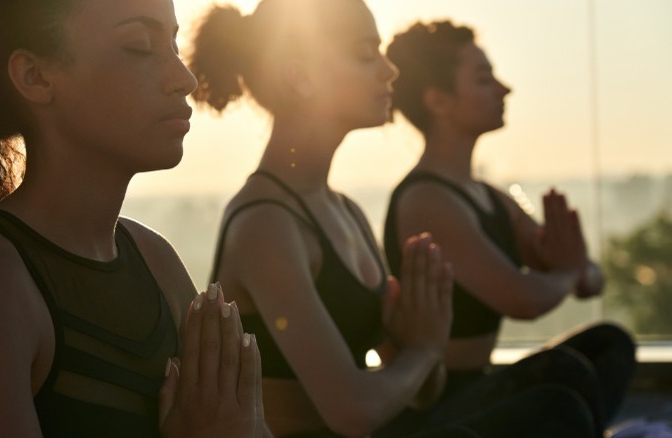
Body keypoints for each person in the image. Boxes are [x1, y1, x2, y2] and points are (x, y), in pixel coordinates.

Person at [190, 2, 597, 437]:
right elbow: (353, 412)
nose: (389, 72)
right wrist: (421, 351)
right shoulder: (266, 225)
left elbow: (421, 392)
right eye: (366, 54)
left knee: (578, 373)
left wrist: (416, 342)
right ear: (299, 76)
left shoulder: (345, 211)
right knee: (557, 409)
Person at [0, 0, 267, 436]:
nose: (183, 78)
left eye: (173, 43)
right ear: (35, 76)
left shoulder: (156, 260)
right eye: (140, 46)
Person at [383, 20, 636, 435]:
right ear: (438, 101)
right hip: (432, 406)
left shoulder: (489, 196)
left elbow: (589, 278)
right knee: (561, 382)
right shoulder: (427, 201)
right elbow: (523, 298)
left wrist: (572, 268)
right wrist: (570, 272)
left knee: (611, 343)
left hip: (479, 386)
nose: (504, 90)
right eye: (484, 80)